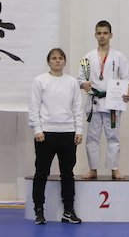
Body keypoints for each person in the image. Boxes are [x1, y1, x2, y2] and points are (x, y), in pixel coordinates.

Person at [28, 48, 84, 225]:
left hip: (68, 133)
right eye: (54, 58)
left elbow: (78, 107)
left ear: (64, 61)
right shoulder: (40, 81)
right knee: (41, 173)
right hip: (45, 134)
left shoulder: (72, 82)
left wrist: (79, 130)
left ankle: (68, 211)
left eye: (60, 58)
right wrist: (37, 129)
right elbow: (34, 106)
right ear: (48, 61)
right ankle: (39, 210)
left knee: (67, 174)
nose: (57, 60)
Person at [78, 20, 129, 180]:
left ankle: (114, 169)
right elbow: (80, 78)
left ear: (110, 35)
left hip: (112, 102)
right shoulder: (87, 57)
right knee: (92, 138)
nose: (102, 36)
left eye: (105, 33)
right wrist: (83, 84)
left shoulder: (119, 57)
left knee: (113, 137)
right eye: (99, 33)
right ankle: (93, 169)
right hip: (94, 102)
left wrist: (128, 92)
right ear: (95, 35)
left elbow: (127, 77)